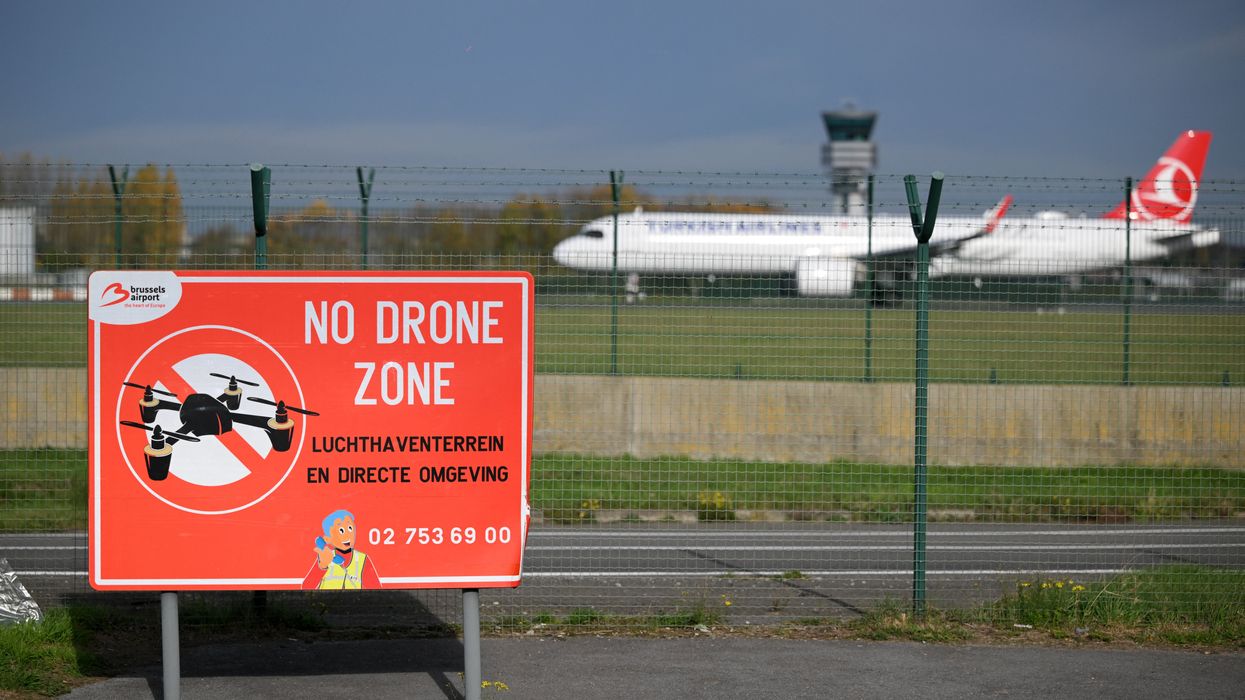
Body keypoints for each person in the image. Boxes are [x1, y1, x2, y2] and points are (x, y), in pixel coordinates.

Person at [301, 509, 381, 589]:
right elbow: (305, 587)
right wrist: (322, 566)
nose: (347, 535)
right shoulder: (325, 557)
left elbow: (377, 591)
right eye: (341, 531)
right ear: (327, 539)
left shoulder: (363, 559)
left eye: (350, 528)